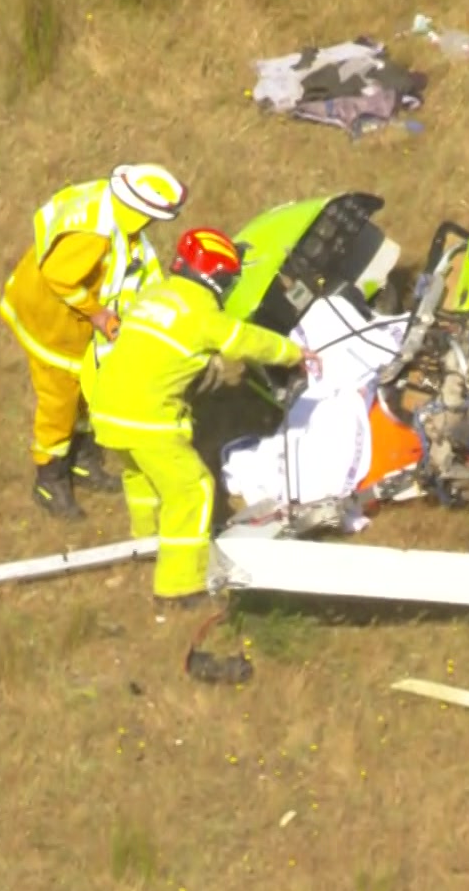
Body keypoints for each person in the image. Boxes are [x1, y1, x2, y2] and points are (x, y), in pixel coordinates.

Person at [79, 227, 315, 611]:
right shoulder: (202, 316)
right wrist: (295, 353)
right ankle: (178, 587)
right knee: (192, 489)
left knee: (140, 476)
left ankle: (145, 543)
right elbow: (245, 340)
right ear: (217, 278)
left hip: (106, 410)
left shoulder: (153, 295)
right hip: (146, 419)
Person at [0, 164, 188, 519]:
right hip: (52, 324)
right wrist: (98, 314)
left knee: (88, 387)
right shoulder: (95, 235)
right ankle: (49, 476)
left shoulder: (108, 207)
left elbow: (136, 267)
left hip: (66, 318)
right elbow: (58, 276)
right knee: (60, 401)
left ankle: (82, 458)